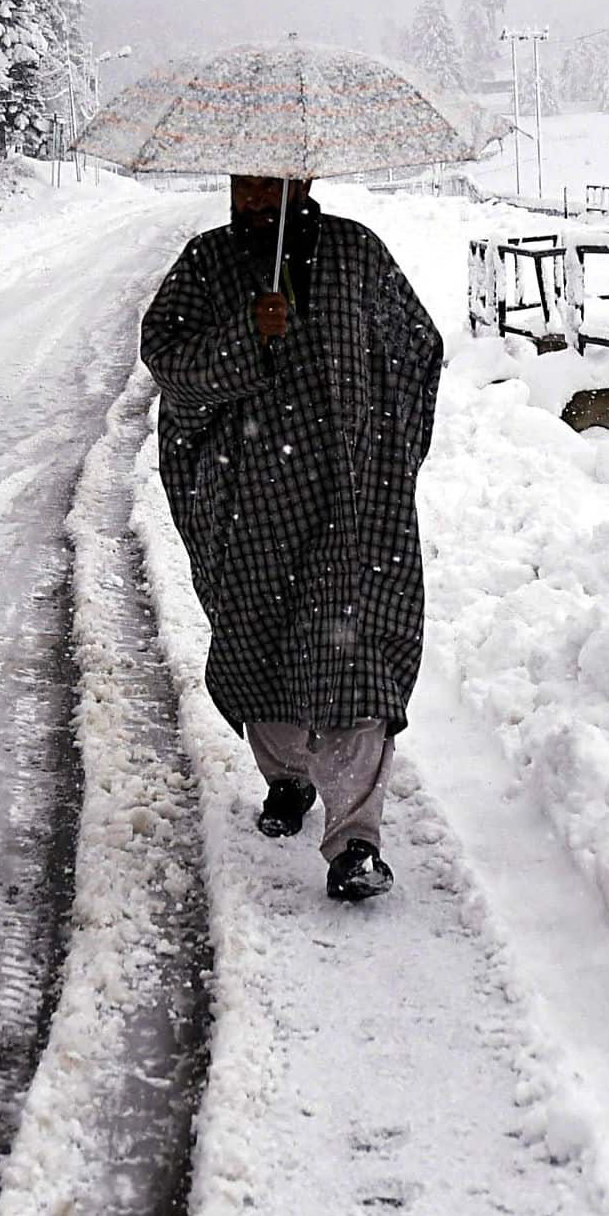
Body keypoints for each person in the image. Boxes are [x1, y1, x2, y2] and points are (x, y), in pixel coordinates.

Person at [141, 176, 444, 901]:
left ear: (301, 179)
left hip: (350, 502)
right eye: (242, 180)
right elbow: (168, 362)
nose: (252, 194)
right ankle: (286, 777)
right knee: (260, 647)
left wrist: (384, 447)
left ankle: (357, 842)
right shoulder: (206, 262)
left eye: (269, 180)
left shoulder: (355, 253)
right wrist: (247, 337)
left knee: (356, 659)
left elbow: (418, 349)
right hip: (247, 500)